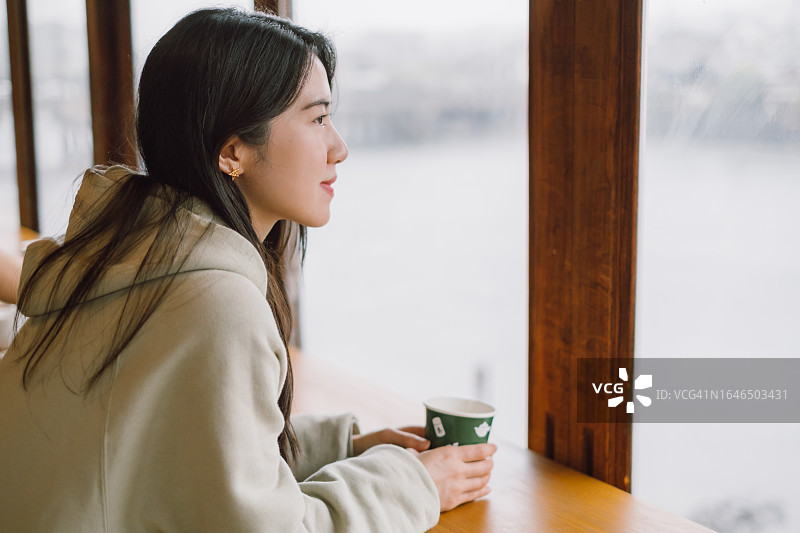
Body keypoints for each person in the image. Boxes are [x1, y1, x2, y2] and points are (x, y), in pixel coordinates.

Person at [0, 8, 495, 532]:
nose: (340, 148)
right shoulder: (216, 302)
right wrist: (413, 484)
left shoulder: (122, 252)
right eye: (318, 119)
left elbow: (164, 449)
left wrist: (340, 446)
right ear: (233, 150)